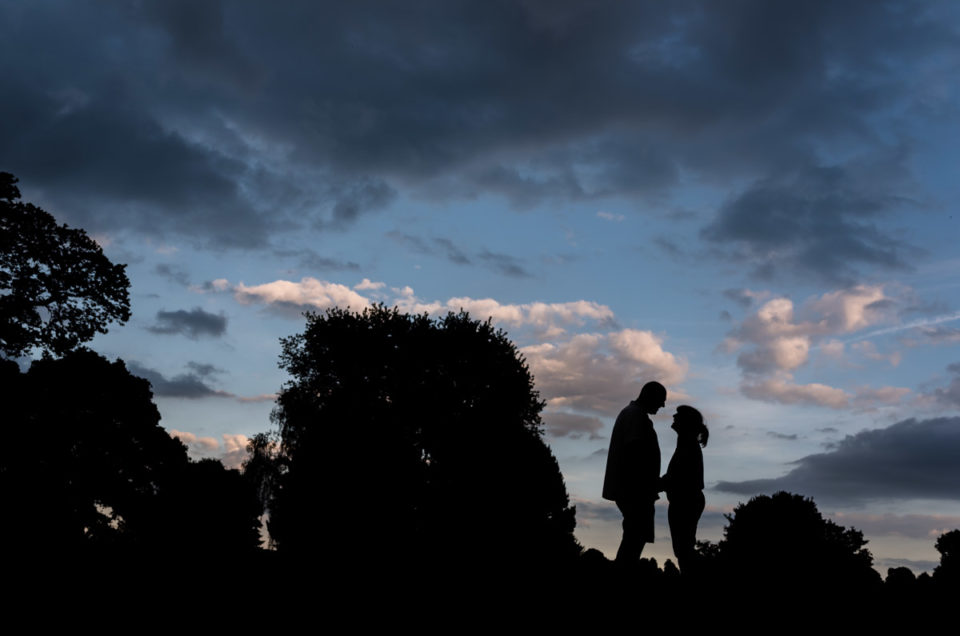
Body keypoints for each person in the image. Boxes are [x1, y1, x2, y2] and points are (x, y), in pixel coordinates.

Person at [602, 381, 666, 564]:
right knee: (633, 541)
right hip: (634, 491)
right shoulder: (635, 416)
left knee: (633, 539)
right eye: (661, 400)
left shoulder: (634, 414)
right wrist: (649, 484)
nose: (662, 405)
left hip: (634, 490)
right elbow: (635, 452)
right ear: (650, 396)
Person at [661, 405, 708, 574]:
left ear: (685, 422)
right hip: (686, 500)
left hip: (686, 501)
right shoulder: (685, 443)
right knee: (683, 549)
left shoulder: (687, 444)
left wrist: (655, 484)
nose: (673, 416)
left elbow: (676, 477)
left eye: (678, 415)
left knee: (683, 550)